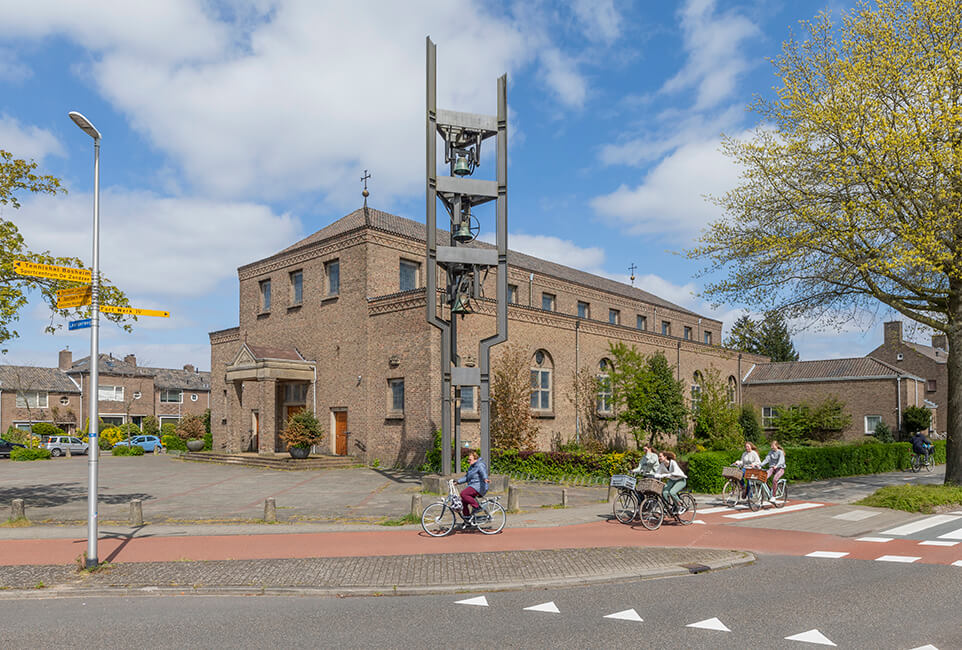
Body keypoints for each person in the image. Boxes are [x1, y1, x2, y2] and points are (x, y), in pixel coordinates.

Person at [456, 450, 490, 522]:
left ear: (475, 459)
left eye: (470, 459)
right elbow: (466, 477)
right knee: (463, 501)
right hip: (473, 486)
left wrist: (485, 479)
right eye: (468, 459)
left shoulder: (480, 465)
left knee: (463, 494)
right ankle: (467, 520)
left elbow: (483, 472)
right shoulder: (472, 467)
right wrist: (457, 482)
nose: (468, 461)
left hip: (479, 487)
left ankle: (477, 507)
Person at [759, 440, 786, 504]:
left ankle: (773, 496)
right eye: (771, 446)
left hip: (780, 468)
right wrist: (760, 465)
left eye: (772, 446)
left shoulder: (780, 452)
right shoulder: (770, 452)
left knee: (774, 480)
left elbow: (781, 461)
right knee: (764, 478)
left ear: (776, 446)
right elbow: (766, 459)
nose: (771, 447)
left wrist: (777, 466)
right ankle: (770, 491)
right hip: (772, 468)